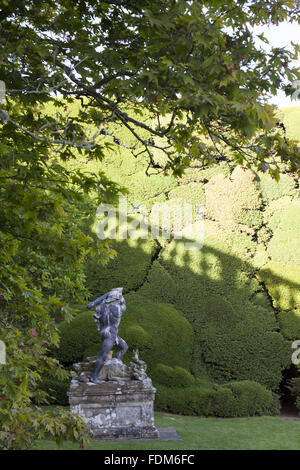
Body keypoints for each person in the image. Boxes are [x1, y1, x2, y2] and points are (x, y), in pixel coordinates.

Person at [87, 287, 128, 384]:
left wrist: (108, 294)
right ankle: (94, 377)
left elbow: (89, 306)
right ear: (117, 298)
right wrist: (119, 294)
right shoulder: (118, 309)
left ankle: (115, 367)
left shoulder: (101, 307)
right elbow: (124, 304)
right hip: (110, 334)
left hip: (105, 332)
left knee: (124, 347)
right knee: (102, 356)